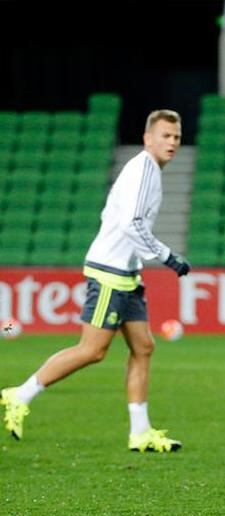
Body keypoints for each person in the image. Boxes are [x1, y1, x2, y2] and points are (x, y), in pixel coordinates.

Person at [1, 110, 191, 453]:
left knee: (144, 347)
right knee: (92, 350)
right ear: (148, 138)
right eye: (165, 135)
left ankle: (140, 432)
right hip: (110, 273)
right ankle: (20, 394)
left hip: (127, 273)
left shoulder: (148, 171)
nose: (172, 142)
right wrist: (167, 257)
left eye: (176, 137)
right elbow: (131, 224)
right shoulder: (144, 168)